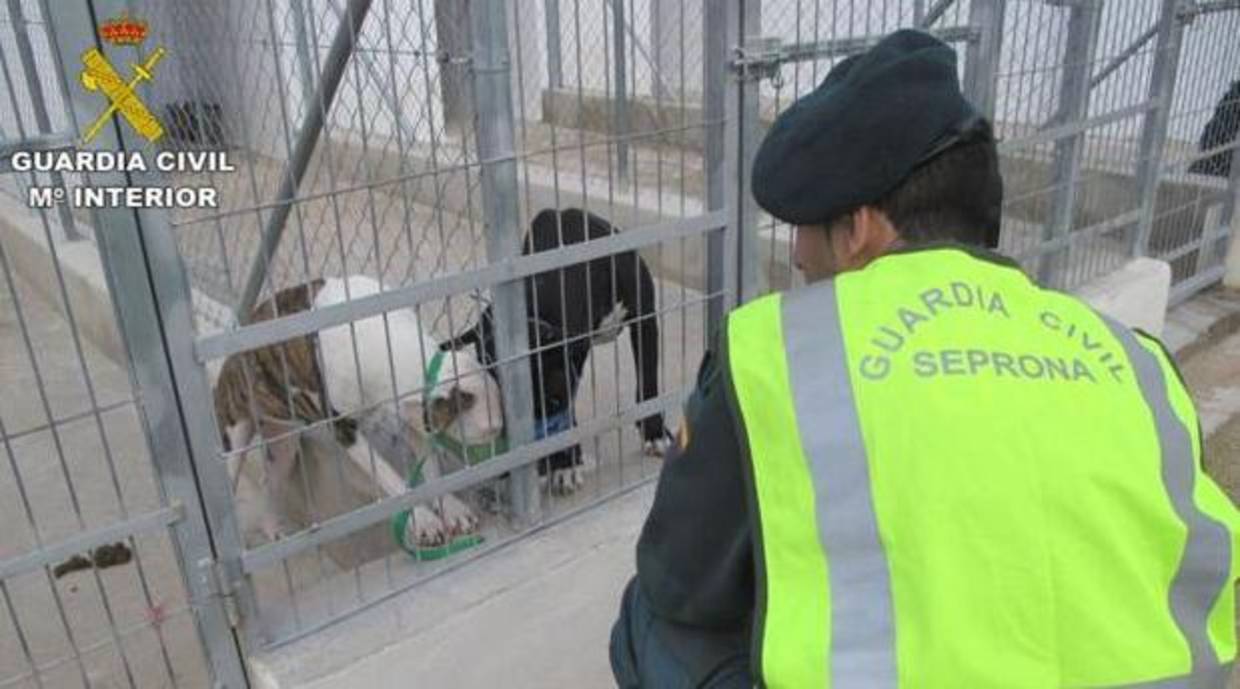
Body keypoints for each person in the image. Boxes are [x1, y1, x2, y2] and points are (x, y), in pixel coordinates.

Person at [610, 29, 1239, 688]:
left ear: (858, 228)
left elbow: (676, 579)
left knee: (646, 619)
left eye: (803, 227)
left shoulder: (778, 352)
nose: (797, 256)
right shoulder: (1137, 363)